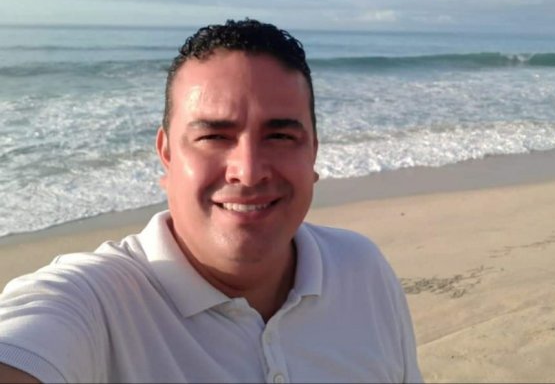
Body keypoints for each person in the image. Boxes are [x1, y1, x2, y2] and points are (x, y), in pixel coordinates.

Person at [0, 19, 422, 383]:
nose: (248, 170)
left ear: (313, 152)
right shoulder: (95, 304)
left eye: (280, 136)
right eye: (214, 136)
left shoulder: (361, 269)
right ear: (167, 154)